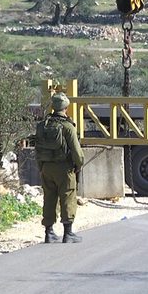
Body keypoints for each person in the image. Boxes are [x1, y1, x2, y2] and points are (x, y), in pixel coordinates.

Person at [36, 92, 85, 243]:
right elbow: (77, 152)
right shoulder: (67, 127)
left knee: (49, 198)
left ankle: (49, 233)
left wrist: (41, 167)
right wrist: (78, 165)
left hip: (46, 167)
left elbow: (37, 149)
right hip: (64, 168)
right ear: (66, 108)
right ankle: (68, 233)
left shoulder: (42, 126)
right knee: (68, 197)